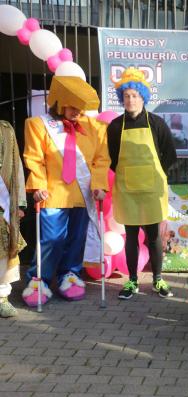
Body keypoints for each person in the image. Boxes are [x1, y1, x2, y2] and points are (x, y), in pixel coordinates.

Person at [22, 76, 109, 306]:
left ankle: (69, 275)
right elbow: (34, 158)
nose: (77, 112)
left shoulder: (97, 128)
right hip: (52, 193)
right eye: (72, 107)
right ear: (59, 103)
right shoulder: (38, 125)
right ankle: (38, 279)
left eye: (81, 108)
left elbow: (101, 160)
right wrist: (38, 185)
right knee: (51, 239)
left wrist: (99, 185)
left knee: (76, 238)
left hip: (82, 194)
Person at [107, 67, 177, 300]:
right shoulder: (115, 127)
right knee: (130, 235)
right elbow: (112, 158)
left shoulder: (157, 123)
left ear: (143, 97)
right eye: (126, 96)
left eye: (135, 96)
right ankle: (133, 281)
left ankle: (158, 279)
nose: (130, 100)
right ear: (122, 99)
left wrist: (156, 174)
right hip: (127, 188)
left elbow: (169, 154)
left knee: (154, 236)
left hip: (152, 189)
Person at [0, 121, 26, 317]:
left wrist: (19, 203)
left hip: (3, 205)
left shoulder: (6, 130)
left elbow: (16, 167)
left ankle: (2, 297)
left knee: (5, 249)